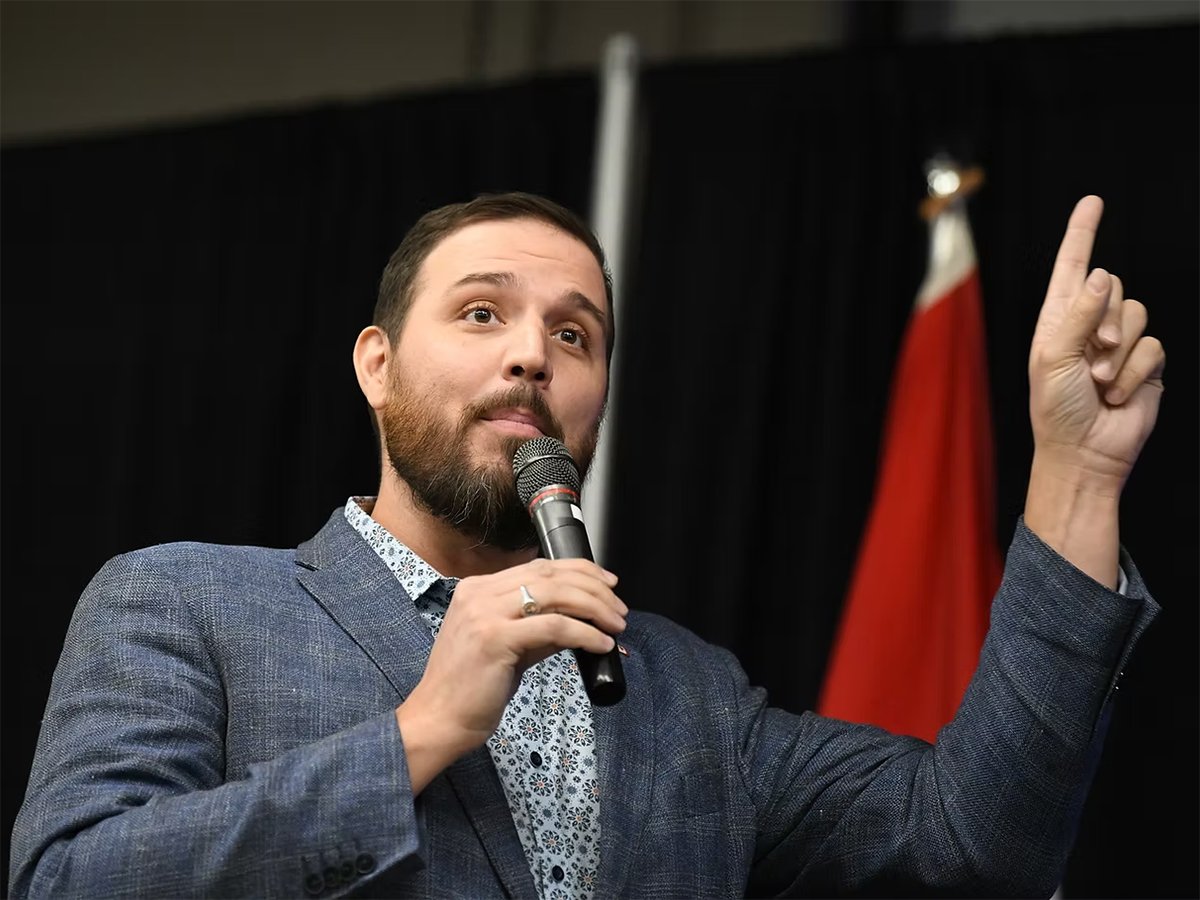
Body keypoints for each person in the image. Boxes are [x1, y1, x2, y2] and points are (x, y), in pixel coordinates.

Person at [10, 191, 1164, 898]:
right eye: (481, 314)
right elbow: (72, 881)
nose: (531, 357)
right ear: (375, 365)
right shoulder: (184, 603)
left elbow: (981, 845)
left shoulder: (690, 697)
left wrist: (1076, 474)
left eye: (575, 334)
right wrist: (417, 736)